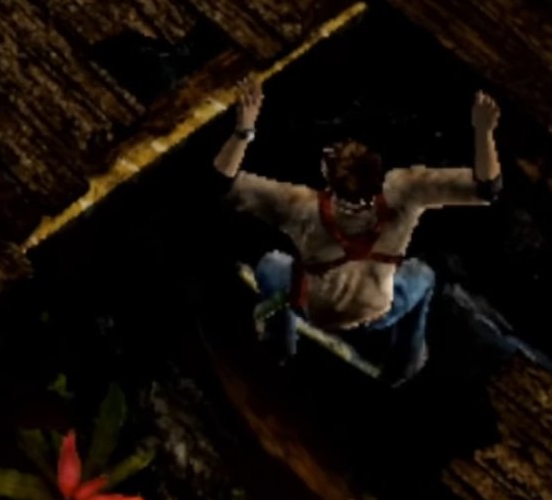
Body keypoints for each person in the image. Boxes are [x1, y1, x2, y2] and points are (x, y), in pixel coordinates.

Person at [213, 77, 503, 385]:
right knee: (424, 274)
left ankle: (279, 345)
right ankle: (405, 363)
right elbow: (488, 188)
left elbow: (220, 181)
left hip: (317, 311)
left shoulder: (302, 207)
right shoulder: (405, 191)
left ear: (328, 177)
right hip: (380, 313)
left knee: (271, 263)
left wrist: (244, 130)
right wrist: (484, 131)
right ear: (378, 174)